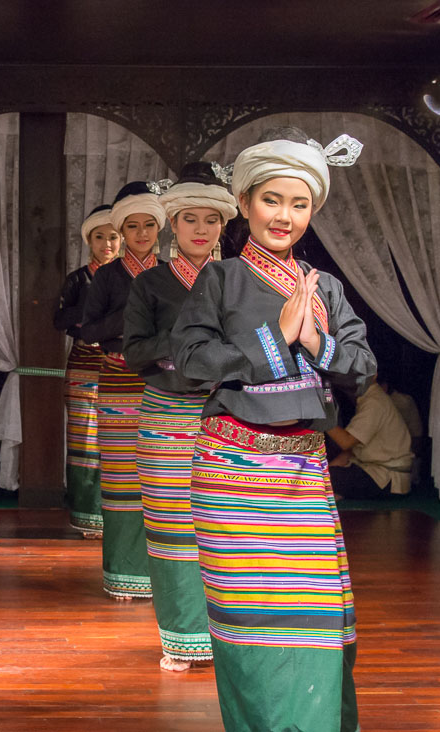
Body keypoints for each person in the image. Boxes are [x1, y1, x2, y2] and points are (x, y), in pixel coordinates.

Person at [172, 126, 373, 731]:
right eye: (271, 200)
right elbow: (190, 362)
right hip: (233, 470)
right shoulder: (220, 279)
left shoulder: (327, 290)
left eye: (300, 203)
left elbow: (361, 369)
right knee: (252, 624)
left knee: (317, 622)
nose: (284, 216)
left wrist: (317, 339)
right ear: (245, 203)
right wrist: (275, 338)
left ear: (313, 211)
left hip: (304, 472)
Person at [124, 161, 236, 671]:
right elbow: (133, 352)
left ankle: (232, 636)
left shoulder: (238, 278)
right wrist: (188, 342)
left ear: (223, 225)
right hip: (167, 414)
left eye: (210, 220)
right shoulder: (151, 284)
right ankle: (184, 638)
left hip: (228, 412)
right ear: (174, 222)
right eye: (190, 219)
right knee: (173, 529)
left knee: (228, 529)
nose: (200, 229)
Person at [81, 180, 167, 600]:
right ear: (121, 229)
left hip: (165, 382)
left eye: (149, 225)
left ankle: (165, 576)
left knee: (165, 481)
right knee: (122, 482)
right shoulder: (109, 277)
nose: (141, 234)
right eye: (132, 226)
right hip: (117, 380)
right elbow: (88, 331)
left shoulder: (172, 272)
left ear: (159, 228)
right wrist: (130, 310)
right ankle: (124, 575)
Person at [54, 204, 120, 536]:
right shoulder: (79, 279)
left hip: (122, 365)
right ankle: (86, 515)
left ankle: (123, 516)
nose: (107, 244)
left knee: (120, 440)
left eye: (112, 237)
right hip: (83, 362)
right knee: (85, 441)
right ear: (89, 241)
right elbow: (60, 319)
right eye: (99, 238)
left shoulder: (134, 277)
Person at [327, 374, 414, 499]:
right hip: (373, 469)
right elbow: (351, 449)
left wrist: (320, 417)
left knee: (318, 479)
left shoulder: (375, 401)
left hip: (387, 477)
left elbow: (346, 441)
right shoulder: (368, 399)